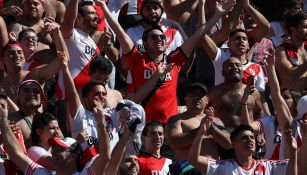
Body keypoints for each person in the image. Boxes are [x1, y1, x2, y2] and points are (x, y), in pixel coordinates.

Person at [98, 0, 228, 123]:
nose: (159, 39)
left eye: (162, 37)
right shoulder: (137, 59)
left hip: (168, 125)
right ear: (144, 42)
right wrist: (104, 7)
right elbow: (118, 30)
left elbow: (199, 34)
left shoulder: (174, 61)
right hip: (141, 123)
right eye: (153, 37)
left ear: (166, 43)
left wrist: (217, 15)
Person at [0, 92, 111, 175]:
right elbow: (16, 154)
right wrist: (3, 119)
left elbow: (105, 157)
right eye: (54, 149)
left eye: (59, 149)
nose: (54, 152)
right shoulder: (41, 173)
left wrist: (101, 124)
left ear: (73, 155)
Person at [166, 82, 231, 174]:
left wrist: (211, 128)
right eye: (192, 95)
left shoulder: (216, 121)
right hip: (187, 170)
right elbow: (174, 143)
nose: (196, 97)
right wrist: (200, 129)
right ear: (185, 99)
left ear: (207, 100)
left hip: (212, 170)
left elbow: (228, 144)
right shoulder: (176, 120)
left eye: (200, 95)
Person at [240, 48, 293, 160]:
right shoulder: (269, 122)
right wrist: (244, 102)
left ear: (296, 103)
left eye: (287, 98)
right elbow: (248, 127)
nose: (281, 101)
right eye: (281, 99)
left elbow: (276, 95)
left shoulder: (299, 125)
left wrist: (271, 68)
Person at [188, 124, 298, 175]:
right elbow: (193, 159)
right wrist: (201, 132)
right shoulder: (224, 166)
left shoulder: (267, 166)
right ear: (233, 144)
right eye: (244, 138)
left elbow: (296, 170)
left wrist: (293, 151)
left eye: (251, 137)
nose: (250, 140)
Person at [208, 57, 263, 131]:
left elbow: (259, 111)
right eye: (230, 66)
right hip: (224, 135)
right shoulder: (213, 92)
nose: (235, 67)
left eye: (237, 65)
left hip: (247, 135)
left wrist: (260, 132)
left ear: (243, 71)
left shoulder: (253, 92)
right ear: (222, 73)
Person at [275, 10, 307, 91]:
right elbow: (288, 78)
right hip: (292, 97)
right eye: (305, 27)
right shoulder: (281, 51)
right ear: (293, 29)